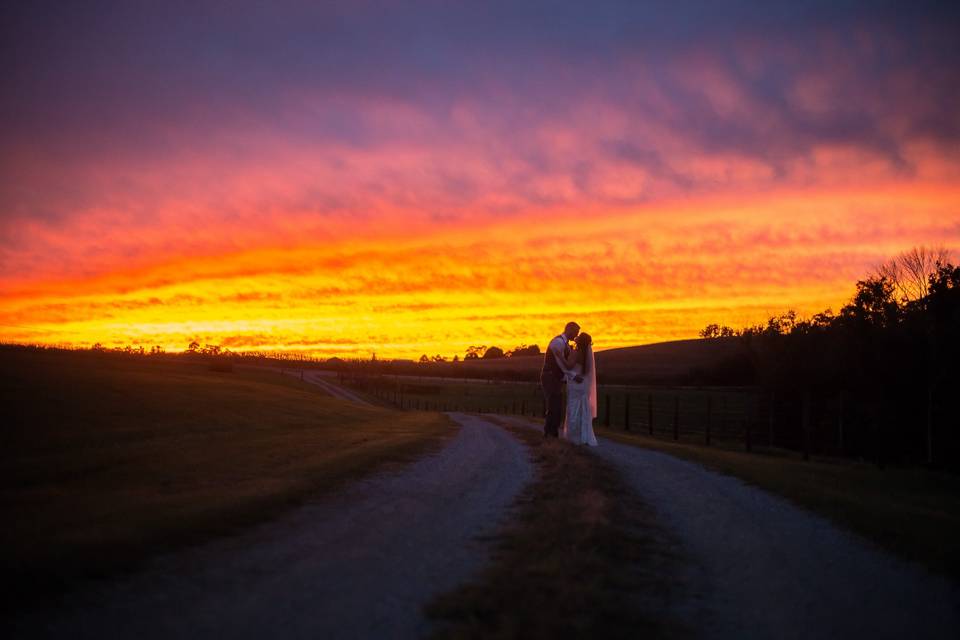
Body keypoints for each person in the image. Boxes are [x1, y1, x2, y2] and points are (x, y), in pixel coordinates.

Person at [540, 321, 582, 438]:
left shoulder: (566, 344)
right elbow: (561, 365)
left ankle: (552, 433)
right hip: (550, 376)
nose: (576, 335)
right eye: (575, 332)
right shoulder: (557, 343)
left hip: (557, 378)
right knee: (553, 405)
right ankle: (549, 433)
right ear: (569, 329)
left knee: (557, 405)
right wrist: (573, 376)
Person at [562, 333, 598, 446]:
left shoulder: (576, 353)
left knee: (573, 408)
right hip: (584, 384)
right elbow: (587, 372)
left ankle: (574, 436)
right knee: (583, 408)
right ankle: (584, 435)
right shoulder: (587, 356)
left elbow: (568, 366)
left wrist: (563, 357)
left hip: (575, 383)